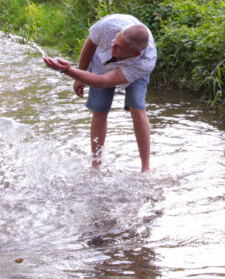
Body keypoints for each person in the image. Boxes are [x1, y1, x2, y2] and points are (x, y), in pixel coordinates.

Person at [42, 14, 157, 172]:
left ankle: (146, 168)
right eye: (115, 42)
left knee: (137, 108)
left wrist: (69, 71)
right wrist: (80, 75)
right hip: (100, 64)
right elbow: (90, 46)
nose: (113, 48)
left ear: (135, 53)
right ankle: (96, 164)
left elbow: (103, 82)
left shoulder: (145, 62)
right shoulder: (107, 26)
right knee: (99, 110)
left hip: (131, 71)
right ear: (117, 33)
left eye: (119, 48)